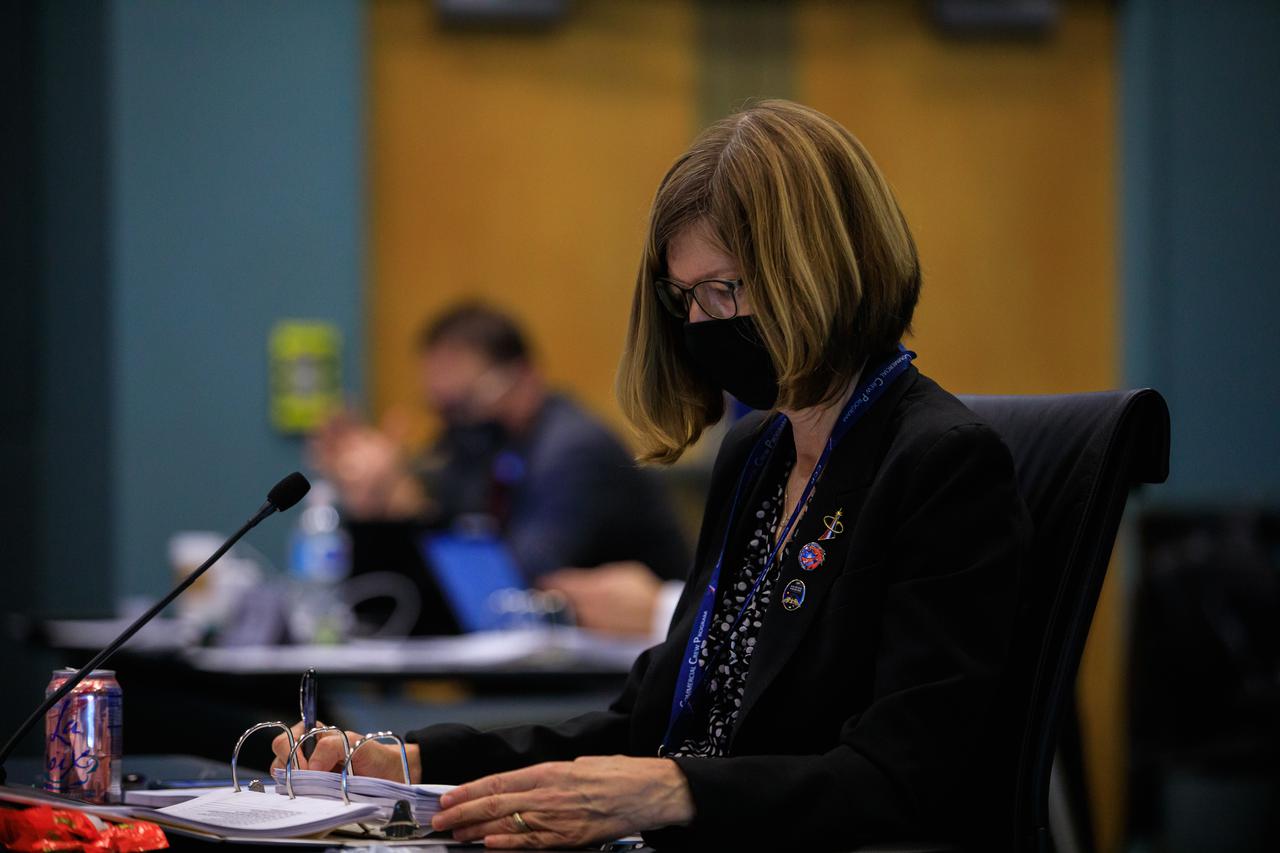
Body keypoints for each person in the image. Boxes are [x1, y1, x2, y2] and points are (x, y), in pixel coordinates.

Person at [274, 100, 1030, 850]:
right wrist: (410, 760)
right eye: (684, 297)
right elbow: (643, 723)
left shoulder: (941, 464)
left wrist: (670, 791)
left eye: (725, 290)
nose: (701, 325)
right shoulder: (759, 454)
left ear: (824, 271)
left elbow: (905, 778)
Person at [310, 302, 690, 583]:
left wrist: (405, 504)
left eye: (468, 402)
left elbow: (517, 578)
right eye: (443, 409)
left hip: (635, 658)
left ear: (523, 378)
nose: (457, 424)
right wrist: (378, 499)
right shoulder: (473, 445)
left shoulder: (575, 451)